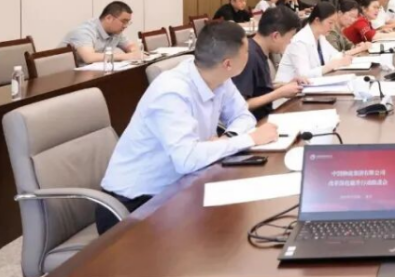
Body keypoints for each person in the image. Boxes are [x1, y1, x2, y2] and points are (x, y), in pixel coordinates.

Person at [96, 22, 279, 234]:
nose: (250, 53)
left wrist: (227, 137)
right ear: (228, 63)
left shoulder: (218, 77)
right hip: (134, 205)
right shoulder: (172, 92)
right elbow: (187, 159)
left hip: (179, 189)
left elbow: (243, 116)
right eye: (246, 51)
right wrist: (249, 139)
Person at [232, 6, 303, 121]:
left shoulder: (258, 50)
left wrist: (284, 86)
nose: (290, 42)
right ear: (275, 36)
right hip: (254, 124)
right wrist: (279, 93)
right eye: (289, 38)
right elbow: (240, 105)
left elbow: (258, 89)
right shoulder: (249, 56)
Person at [275, 3, 352, 82]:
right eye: (330, 23)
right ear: (317, 20)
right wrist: (330, 66)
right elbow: (303, 75)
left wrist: (344, 58)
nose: (332, 27)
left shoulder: (320, 37)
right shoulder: (300, 41)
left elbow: (334, 55)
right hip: (288, 86)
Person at [60, 1, 142, 66]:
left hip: (93, 73)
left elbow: (130, 46)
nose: (125, 26)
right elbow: (89, 57)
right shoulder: (84, 31)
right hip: (64, 76)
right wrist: (126, 56)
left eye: (128, 22)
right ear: (109, 18)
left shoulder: (116, 32)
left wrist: (134, 52)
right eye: (124, 21)